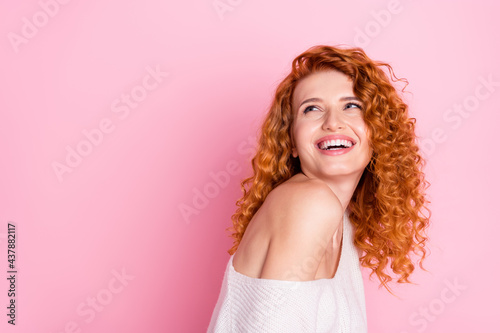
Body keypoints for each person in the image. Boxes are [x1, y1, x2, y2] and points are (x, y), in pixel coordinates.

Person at [207, 45, 430, 332]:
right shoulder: (309, 202)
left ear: (378, 131)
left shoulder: (340, 219)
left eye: (352, 105)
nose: (333, 122)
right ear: (291, 141)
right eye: (311, 109)